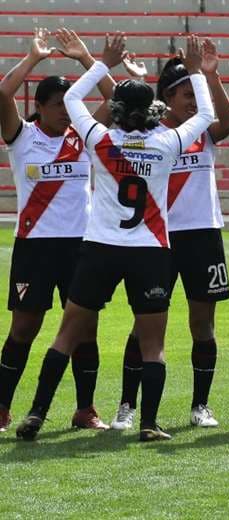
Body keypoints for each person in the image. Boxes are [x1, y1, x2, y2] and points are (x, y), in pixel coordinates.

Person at [15, 33, 214, 442]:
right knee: (152, 345)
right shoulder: (167, 141)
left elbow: (73, 102)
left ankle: (36, 413)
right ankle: (149, 423)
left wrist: (101, 62)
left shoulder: (100, 139)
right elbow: (207, 114)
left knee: (66, 334)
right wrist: (195, 72)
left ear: (118, 110)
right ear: (154, 111)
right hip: (150, 250)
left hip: (101, 248)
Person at [0, 28, 131, 433]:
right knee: (24, 328)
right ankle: (2, 409)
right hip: (34, 248)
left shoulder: (83, 135)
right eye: (56, 105)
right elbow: (3, 96)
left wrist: (88, 59)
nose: (64, 110)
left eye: (66, 104)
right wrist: (34, 58)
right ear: (38, 108)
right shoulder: (22, 136)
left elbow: (117, 99)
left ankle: (85, 409)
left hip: (80, 247)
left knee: (83, 329)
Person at [110, 38, 229, 431]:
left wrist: (208, 74)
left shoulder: (204, 131)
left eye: (192, 93)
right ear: (167, 97)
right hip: (158, 239)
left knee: (203, 323)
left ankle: (200, 405)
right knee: (144, 325)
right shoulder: (152, 134)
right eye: (185, 94)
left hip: (203, 235)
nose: (191, 101)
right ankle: (127, 405)